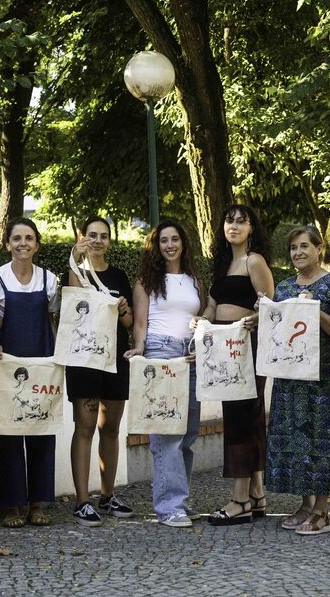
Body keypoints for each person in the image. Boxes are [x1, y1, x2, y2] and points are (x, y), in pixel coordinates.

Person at [264, 226, 330, 535]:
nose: (298, 252)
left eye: (305, 246)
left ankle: (322, 511)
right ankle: (305, 504)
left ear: (319, 249)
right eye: (293, 248)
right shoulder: (284, 287)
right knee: (296, 440)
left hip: (323, 380)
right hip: (289, 378)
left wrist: (313, 311)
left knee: (323, 442)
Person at [124, 220, 204, 528]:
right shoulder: (147, 279)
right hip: (161, 352)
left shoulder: (194, 278)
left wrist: (202, 324)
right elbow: (141, 323)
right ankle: (169, 507)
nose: (169, 245)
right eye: (163, 241)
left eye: (174, 239)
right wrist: (140, 349)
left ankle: (179, 501)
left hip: (191, 354)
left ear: (183, 243)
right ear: (156, 247)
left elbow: (199, 313)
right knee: (167, 435)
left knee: (188, 434)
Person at [198, 204, 274, 526]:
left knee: (242, 419)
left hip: (249, 349)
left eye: (241, 222)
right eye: (229, 220)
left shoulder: (254, 261)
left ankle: (239, 500)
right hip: (224, 352)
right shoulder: (223, 266)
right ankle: (257, 494)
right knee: (249, 419)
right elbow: (211, 308)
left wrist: (252, 319)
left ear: (251, 229)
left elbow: (270, 307)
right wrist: (199, 322)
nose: (234, 225)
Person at [0, 217, 60, 528]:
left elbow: (54, 321)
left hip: (42, 365)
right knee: (6, 435)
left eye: (29, 238)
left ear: (37, 244)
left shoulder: (49, 280)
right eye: (17, 238)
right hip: (6, 365)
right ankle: (12, 505)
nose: (23, 244)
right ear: (7, 244)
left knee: (42, 434)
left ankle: (37, 504)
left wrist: (59, 359)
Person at [66, 216, 135, 526]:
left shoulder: (119, 276)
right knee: (85, 427)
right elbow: (70, 304)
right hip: (83, 359)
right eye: (92, 235)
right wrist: (75, 259)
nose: (97, 240)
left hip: (115, 359)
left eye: (103, 235)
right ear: (83, 237)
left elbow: (130, 323)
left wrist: (123, 311)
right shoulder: (74, 271)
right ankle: (82, 500)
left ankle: (107, 495)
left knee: (111, 428)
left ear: (110, 240)